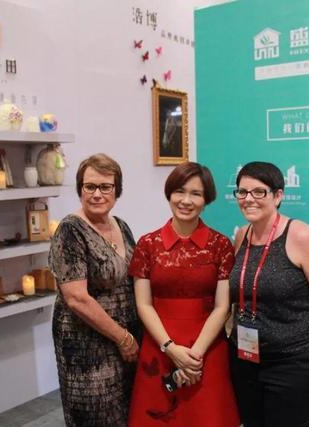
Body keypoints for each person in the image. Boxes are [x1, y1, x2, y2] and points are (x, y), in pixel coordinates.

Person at [228, 161, 309, 427]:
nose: (249, 199)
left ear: (278, 196)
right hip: (246, 360)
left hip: (294, 363)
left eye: (259, 192)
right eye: (242, 192)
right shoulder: (242, 236)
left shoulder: (301, 236)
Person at [127, 162, 239, 426]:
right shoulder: (147, 244)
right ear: (169, 194)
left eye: (196, 194)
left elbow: (222, 307)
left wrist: (194, 356)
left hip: (206, 348)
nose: (186, 201)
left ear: (206, 199)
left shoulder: (221, 245)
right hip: (159, 345)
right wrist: (170, 348)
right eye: (179, 191)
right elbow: (144, 304)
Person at [48, 153, 140, 427]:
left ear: (117, 191)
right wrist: (123, 338)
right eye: (90, 186)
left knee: (126, 412)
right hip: (88, 347)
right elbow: (76, 298)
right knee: (97, 417)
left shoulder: (121, 226)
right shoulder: (70, 230)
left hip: (125, 340)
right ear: (80, 189)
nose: (97, 194)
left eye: (105, 187)